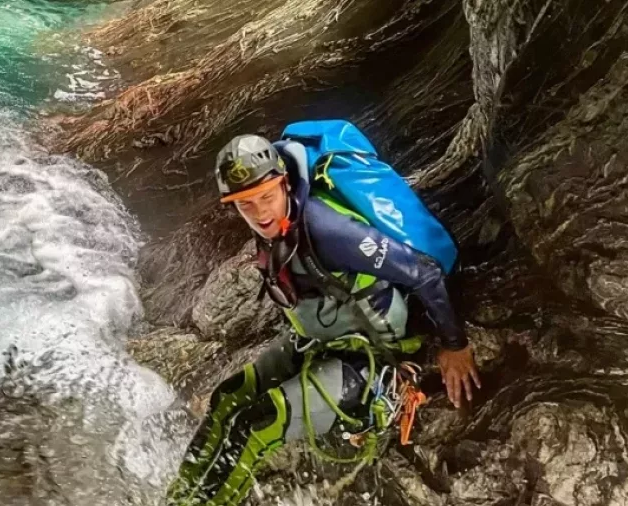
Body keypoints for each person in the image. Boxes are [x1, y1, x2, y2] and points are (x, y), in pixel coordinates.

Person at [166, 133, 480, 505]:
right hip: (324, 340)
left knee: (254, 425)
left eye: (267, 197)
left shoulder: (329, 231)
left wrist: (455, 345)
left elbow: (424, 272)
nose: (261, 213)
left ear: (284, 183)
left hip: (371, 357)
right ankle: (179, 497)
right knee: (226, 399)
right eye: (245, 204)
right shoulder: (280, 224)